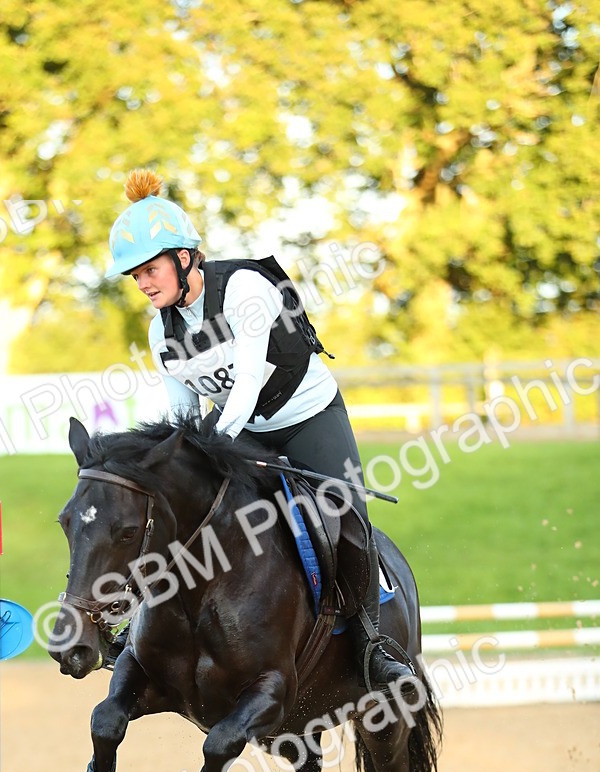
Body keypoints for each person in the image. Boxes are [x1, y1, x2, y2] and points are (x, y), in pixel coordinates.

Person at [103, 168, 415, 695]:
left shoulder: (245, 288)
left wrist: (214, 447)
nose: (144, 284)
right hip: (243, 428)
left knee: (345, 515)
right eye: (135, 276)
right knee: (178, 507)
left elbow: (246, 383)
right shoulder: (162, 331)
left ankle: (372, 646)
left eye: (150, 269)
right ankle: (142, 630)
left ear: (184, 258)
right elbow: (182, 414)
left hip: (307, 418)